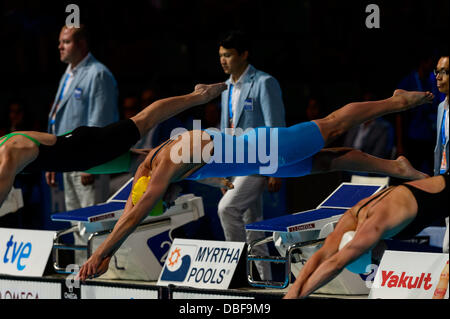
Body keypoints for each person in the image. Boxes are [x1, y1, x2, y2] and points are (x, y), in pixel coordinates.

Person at [77, 89, 434, 282]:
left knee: (332, 123)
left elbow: (135, 213)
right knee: (328, 161)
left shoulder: (165, 166)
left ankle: (394, 101)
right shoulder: (149, 159)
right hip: (262, 158)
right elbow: (132, 203)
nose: (168, 200)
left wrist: (102, 253)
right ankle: (395, 166)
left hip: (268, 146)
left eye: (164, 199)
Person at [0, 82, 227, 207]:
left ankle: (199, 95)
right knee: (150, 162)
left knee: (144, 119)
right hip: (82, 162)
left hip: (86, 147)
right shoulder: (5, 148)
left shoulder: (9, 150)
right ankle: (216, 178)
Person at [283, 170, 449, 299]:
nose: (379, 259)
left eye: (374, 260)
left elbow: (336, 264)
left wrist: (299, 294)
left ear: (366, 250)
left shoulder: (375, 227)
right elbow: (323, 255)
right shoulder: (354, 214)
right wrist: (294, 292)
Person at [45, 25, 120, 264]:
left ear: (82, 44)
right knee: (76, 222)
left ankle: (99, 271)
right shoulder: (69, 73)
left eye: (65, 42)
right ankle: (81, 272)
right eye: (60, 41)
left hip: (88, 162)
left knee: (93, 219)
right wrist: (50, 158)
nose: (60, 46)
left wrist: (92, 163)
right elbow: (57, 119)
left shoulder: (98, 73)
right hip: (67, 158)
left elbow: (102, 121)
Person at [217, 30, 286, 281]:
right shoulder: (225, 88)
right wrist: (224, 172)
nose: (224, 60)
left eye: (229, 55)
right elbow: (226, 131)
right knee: (252, 226)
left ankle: (235, 272)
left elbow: (275, 127)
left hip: (258, 162)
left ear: (244, 54)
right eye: (221, 55)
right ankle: (264, 282)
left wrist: (274, 169)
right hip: (235, 163)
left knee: (227, 209)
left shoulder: (264, 82)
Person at [434, 54, 449, 253]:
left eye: (444, 72)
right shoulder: (440, 108)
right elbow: (440, 148)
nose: (438, 76)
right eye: (437, 71)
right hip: (445, 181)